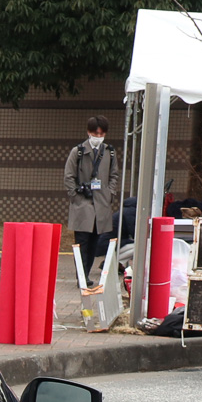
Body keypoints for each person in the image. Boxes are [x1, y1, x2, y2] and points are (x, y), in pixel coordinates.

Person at [63, 115, 120, 283]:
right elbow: (68, 176)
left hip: (101, 203)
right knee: (82, 242)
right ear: (89, 132)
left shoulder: (109, 152)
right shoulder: (78, 151)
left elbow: (114, 175)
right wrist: (75, 195)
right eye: (95, 134)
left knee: (95, 241)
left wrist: (109, 193)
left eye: (102, 134)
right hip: (83, 203)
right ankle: (82, 276)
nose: (98, 137)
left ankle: (85, 274)